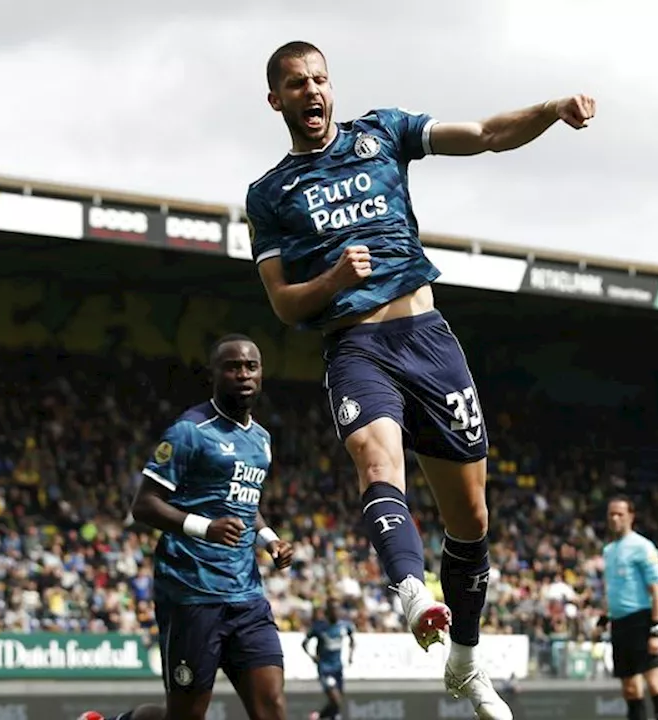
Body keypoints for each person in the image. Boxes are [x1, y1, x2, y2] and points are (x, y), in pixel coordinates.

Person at [243, 39, 595, 720]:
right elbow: (285, 304)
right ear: (275, 100)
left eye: (319, 79)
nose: (311, 92)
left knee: (472, 521)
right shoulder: (269, 194)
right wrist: (336, 280)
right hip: (356, 346)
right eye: (295, 84)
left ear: (330, 88)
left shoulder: (383, 133)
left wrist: (552, 109)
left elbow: (488, 135)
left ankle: (464, 661)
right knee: (376, 461)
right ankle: (410, 591)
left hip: (429, 339)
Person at [84, 334, 295, 720]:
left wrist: (269, 539)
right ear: (214, 374)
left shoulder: (261, 439)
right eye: (232, 367)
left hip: (246, 594)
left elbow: (245, 502)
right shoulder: (190, 431)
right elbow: (143, 505)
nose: (243, 374)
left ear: (262, 374)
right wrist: (204, 527)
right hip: (191, 591)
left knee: (272, 708)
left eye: (251, 366)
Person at [593, 496, 658, 720]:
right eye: (611, 514)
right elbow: (612, 590)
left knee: (654, 683)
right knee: (630, 688)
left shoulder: (642, 547)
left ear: (631, 516)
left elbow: (656, 591)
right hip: (619, 624)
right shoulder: (609, 551)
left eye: (620, 513)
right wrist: (603, 620)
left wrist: (657, 628)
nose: (615, 518)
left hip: (641, 620)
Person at [303, 599, 357, 720]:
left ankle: (318, 717)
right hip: (325, 668)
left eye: (337, 609)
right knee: (336, 700)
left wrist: (350, 655)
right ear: (327, 612)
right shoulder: (319, 627)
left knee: (336, 703)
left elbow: (352, 639)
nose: (335, 612)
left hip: (338, 667)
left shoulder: (344, 626)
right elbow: (304, 643)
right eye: (333, 609)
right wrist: (313, 657)